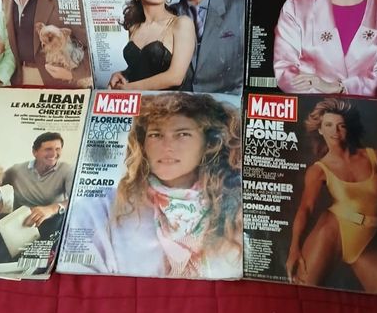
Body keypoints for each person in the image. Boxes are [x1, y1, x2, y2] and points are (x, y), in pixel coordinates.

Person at [61, 93, 242, 279]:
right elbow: (78, 276)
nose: (167, 146)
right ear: (142, 144)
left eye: (182, 134)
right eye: (156, 135)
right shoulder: (100, 207)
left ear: (209, 143)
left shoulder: (236, 208)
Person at [285, 98, 377, 295]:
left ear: (348, 129)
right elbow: (306, 208)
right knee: (302, 292)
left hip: (368, 237)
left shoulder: (375, 156)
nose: (335, 131)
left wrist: (370, 209)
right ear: (320, 130)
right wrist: (294, 249)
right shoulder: (318, 170)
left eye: (341, 125)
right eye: (328, 125)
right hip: (331, 230)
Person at [108, 0, 195, 90]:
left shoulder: (182, 24)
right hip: (144, 101)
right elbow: (143, 67)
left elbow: (175, 77)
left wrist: (128, 89)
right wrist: (123, 74)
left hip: (175, 102)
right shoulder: (134, 27)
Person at [2, 131, 73, 235]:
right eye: (48, 149)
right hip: (19, 223)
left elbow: (77, 201)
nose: (54, 154)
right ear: (35, 152)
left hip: (52, 222)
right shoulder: (16, 170)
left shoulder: (67, 170)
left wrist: (51, 209)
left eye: (57, 149)